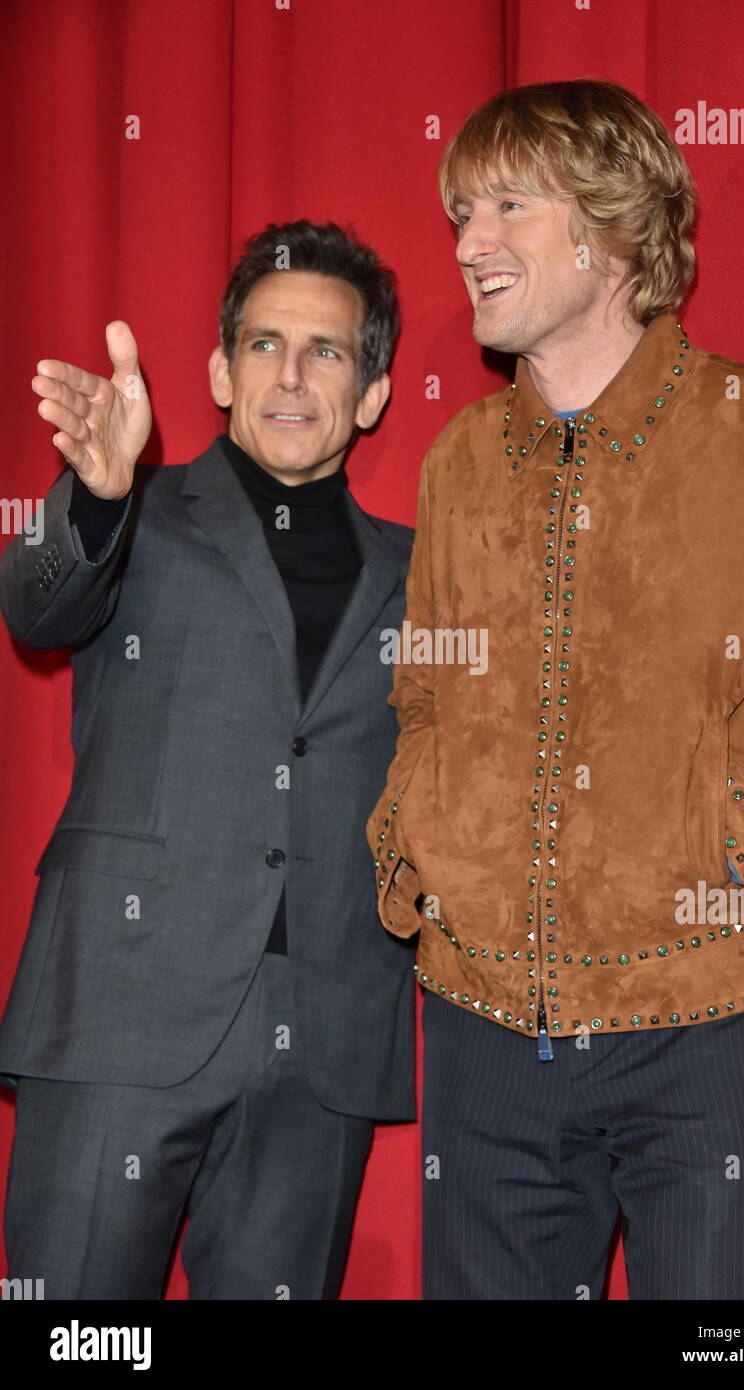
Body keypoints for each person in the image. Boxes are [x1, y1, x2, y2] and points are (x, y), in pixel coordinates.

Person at [366, 79, 744, 1300]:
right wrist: (414, 839)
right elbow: (423, 693)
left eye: (507, 206)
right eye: (459, 214)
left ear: (616, 224)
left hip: (708, 1023)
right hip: (483, 1027)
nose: (468, 244)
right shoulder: (460, 462)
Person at [1, 219, 416, 1300]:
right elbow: (38, 608)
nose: (291, 373)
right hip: (120, 1012)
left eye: (327, 351)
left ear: (370, 394)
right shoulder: (138, 512)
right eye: (265, 345)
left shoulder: (428, 575)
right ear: (221, 372)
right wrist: (96, 494)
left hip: (323, 1035)